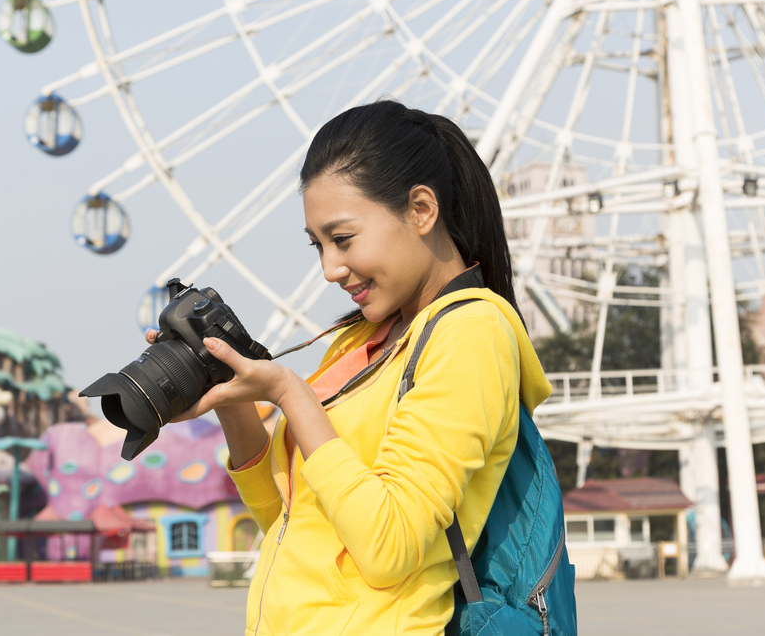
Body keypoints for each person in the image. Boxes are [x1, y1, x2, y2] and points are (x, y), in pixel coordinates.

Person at [149, 100, 552, 636]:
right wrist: (234, 395)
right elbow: (289, 522)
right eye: (318, 245)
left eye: (342, 239)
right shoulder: (358, 340)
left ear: (422, 210)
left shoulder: (473, 334)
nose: (329, 269)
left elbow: (389, 548)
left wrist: (292, 396)